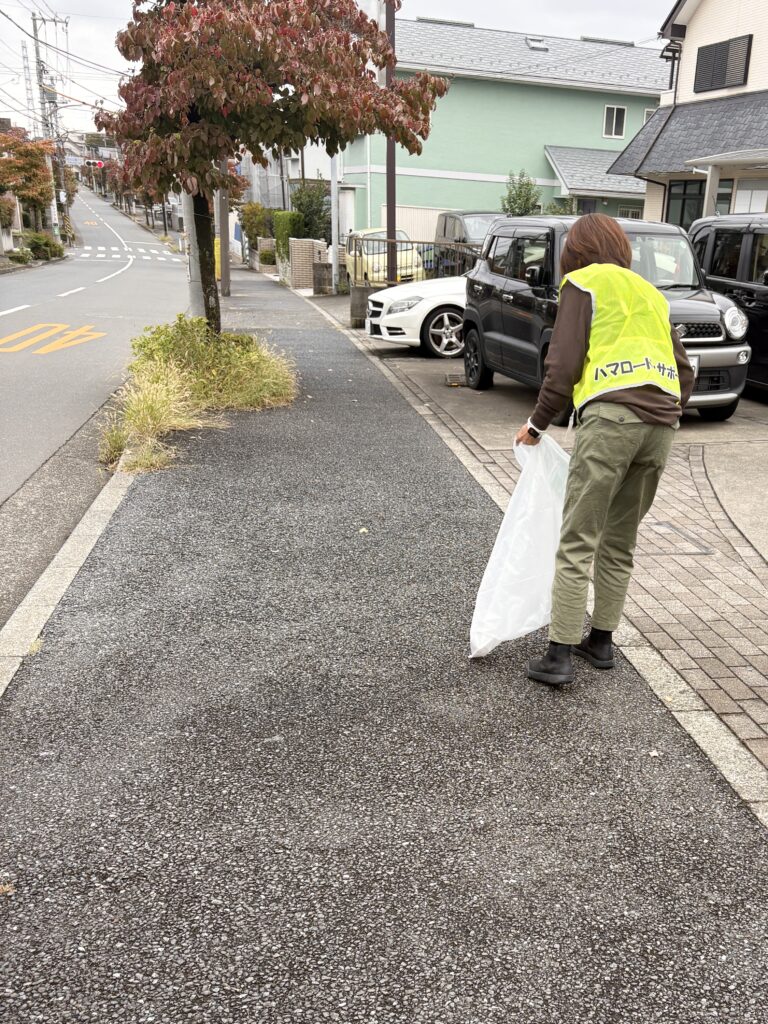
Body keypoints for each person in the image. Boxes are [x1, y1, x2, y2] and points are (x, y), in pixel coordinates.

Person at [515, 213, 694, 687]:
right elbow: (684, 369)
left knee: (579, 538)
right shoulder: (650, 293)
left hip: (611, 419)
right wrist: (667, 412)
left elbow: (564, 363)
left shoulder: (583, 283)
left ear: (576, 250)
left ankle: (558, 656)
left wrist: (536, 424)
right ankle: (601, 642)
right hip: (661, 424)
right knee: (620, 540)